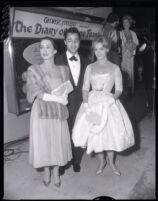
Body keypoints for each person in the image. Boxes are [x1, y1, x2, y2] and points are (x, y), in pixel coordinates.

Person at [72, 36, 135, 176]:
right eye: (96, 49)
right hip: (92, 103)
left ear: (107, 49)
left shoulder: (115, 68)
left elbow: (119, 89)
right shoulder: (89, 67)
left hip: (109, 103)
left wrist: (112, 99)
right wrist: (86, 105)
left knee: (110, 134)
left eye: (101, 49)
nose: (98, 52)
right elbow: (85, 88)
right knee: (96, 134)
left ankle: (111, 162)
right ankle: (102, 161)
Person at [23, 37, 73, 187]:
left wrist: (64, 98)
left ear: (55, 51)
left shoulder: (63, 70)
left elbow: (66, 89)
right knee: (44, 142)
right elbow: (35, 92)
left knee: (57, 141)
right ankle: (46, 171)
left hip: (57, 112)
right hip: (42, 112)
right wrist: (58, 99)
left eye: (48, 47)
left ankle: (56, 172)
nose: (44, 50)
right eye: (42, 47)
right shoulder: (33, 70)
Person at [55, 27, 89, 172]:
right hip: (64, 105)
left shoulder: (86, 61)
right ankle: (63, 162)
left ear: (79, 42)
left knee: (78, 133)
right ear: (64, 42)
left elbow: (88, 84)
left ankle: (76, 160)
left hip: (81, 104)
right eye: (70, 40)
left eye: (76, 40)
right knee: (63, 135)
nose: (73, 44)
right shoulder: (57, 60)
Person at [120, 15, 139, 96]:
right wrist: (126, 46)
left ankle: (130, 90)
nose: (125, 24)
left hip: (131, 56)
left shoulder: (133, 33)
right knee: (123, 72)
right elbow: (120, 45)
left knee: (130, 72)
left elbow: (137, 43)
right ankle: (123, 90)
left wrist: (133, 50)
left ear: (129, 23)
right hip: (123, 55)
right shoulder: (120, 33)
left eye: (127, 22)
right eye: (124, 22)